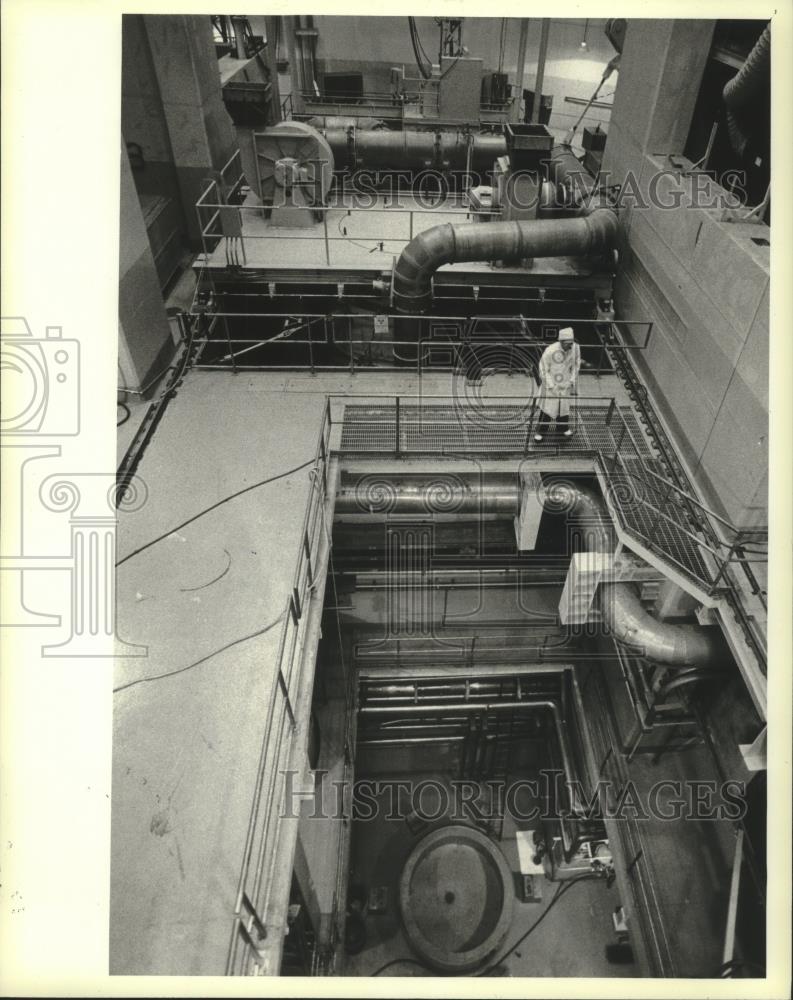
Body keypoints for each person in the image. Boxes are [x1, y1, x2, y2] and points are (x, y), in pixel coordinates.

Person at [534, 327, 581, 441]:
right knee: (548, 409)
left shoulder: (575, 348)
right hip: (551, 384)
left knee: (563, 408)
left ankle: (562, 429)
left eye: (572, 343)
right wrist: (551, 385)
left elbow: (576, 364)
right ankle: (541, 431)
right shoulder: (550, 350)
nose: (571, 346)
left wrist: (571, 380)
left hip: (565, 383)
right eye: (568, 344)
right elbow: (543, 369)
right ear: (561, 342)